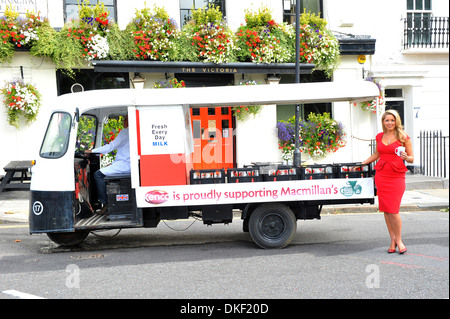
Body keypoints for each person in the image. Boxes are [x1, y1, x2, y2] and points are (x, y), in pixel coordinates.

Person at [361, 109, 414, 254]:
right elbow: (377, 153)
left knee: (394, 210)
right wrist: (364, 163)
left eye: (392, 120)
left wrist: (406, 157)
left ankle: (399, 240)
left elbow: (412, 158)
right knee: (386, 210)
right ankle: (392, 240)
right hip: (382, 175)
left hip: (397, 176)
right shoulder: (379, 136)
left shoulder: (404, 137)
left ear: (396, 121)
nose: (390, 123)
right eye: (387, 120)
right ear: (383, 122)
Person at [85, 115, 130, 215]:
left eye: (124, 119)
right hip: (126, 164)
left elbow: (110, 147)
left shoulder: (125, 132)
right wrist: (113, 163)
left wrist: (92, 151)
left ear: (128, 120)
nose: (123, 122)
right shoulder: (133, 132)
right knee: (104, 171)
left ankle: (106, 204)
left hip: (125, 165)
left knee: (98, 174)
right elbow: (126, 154)